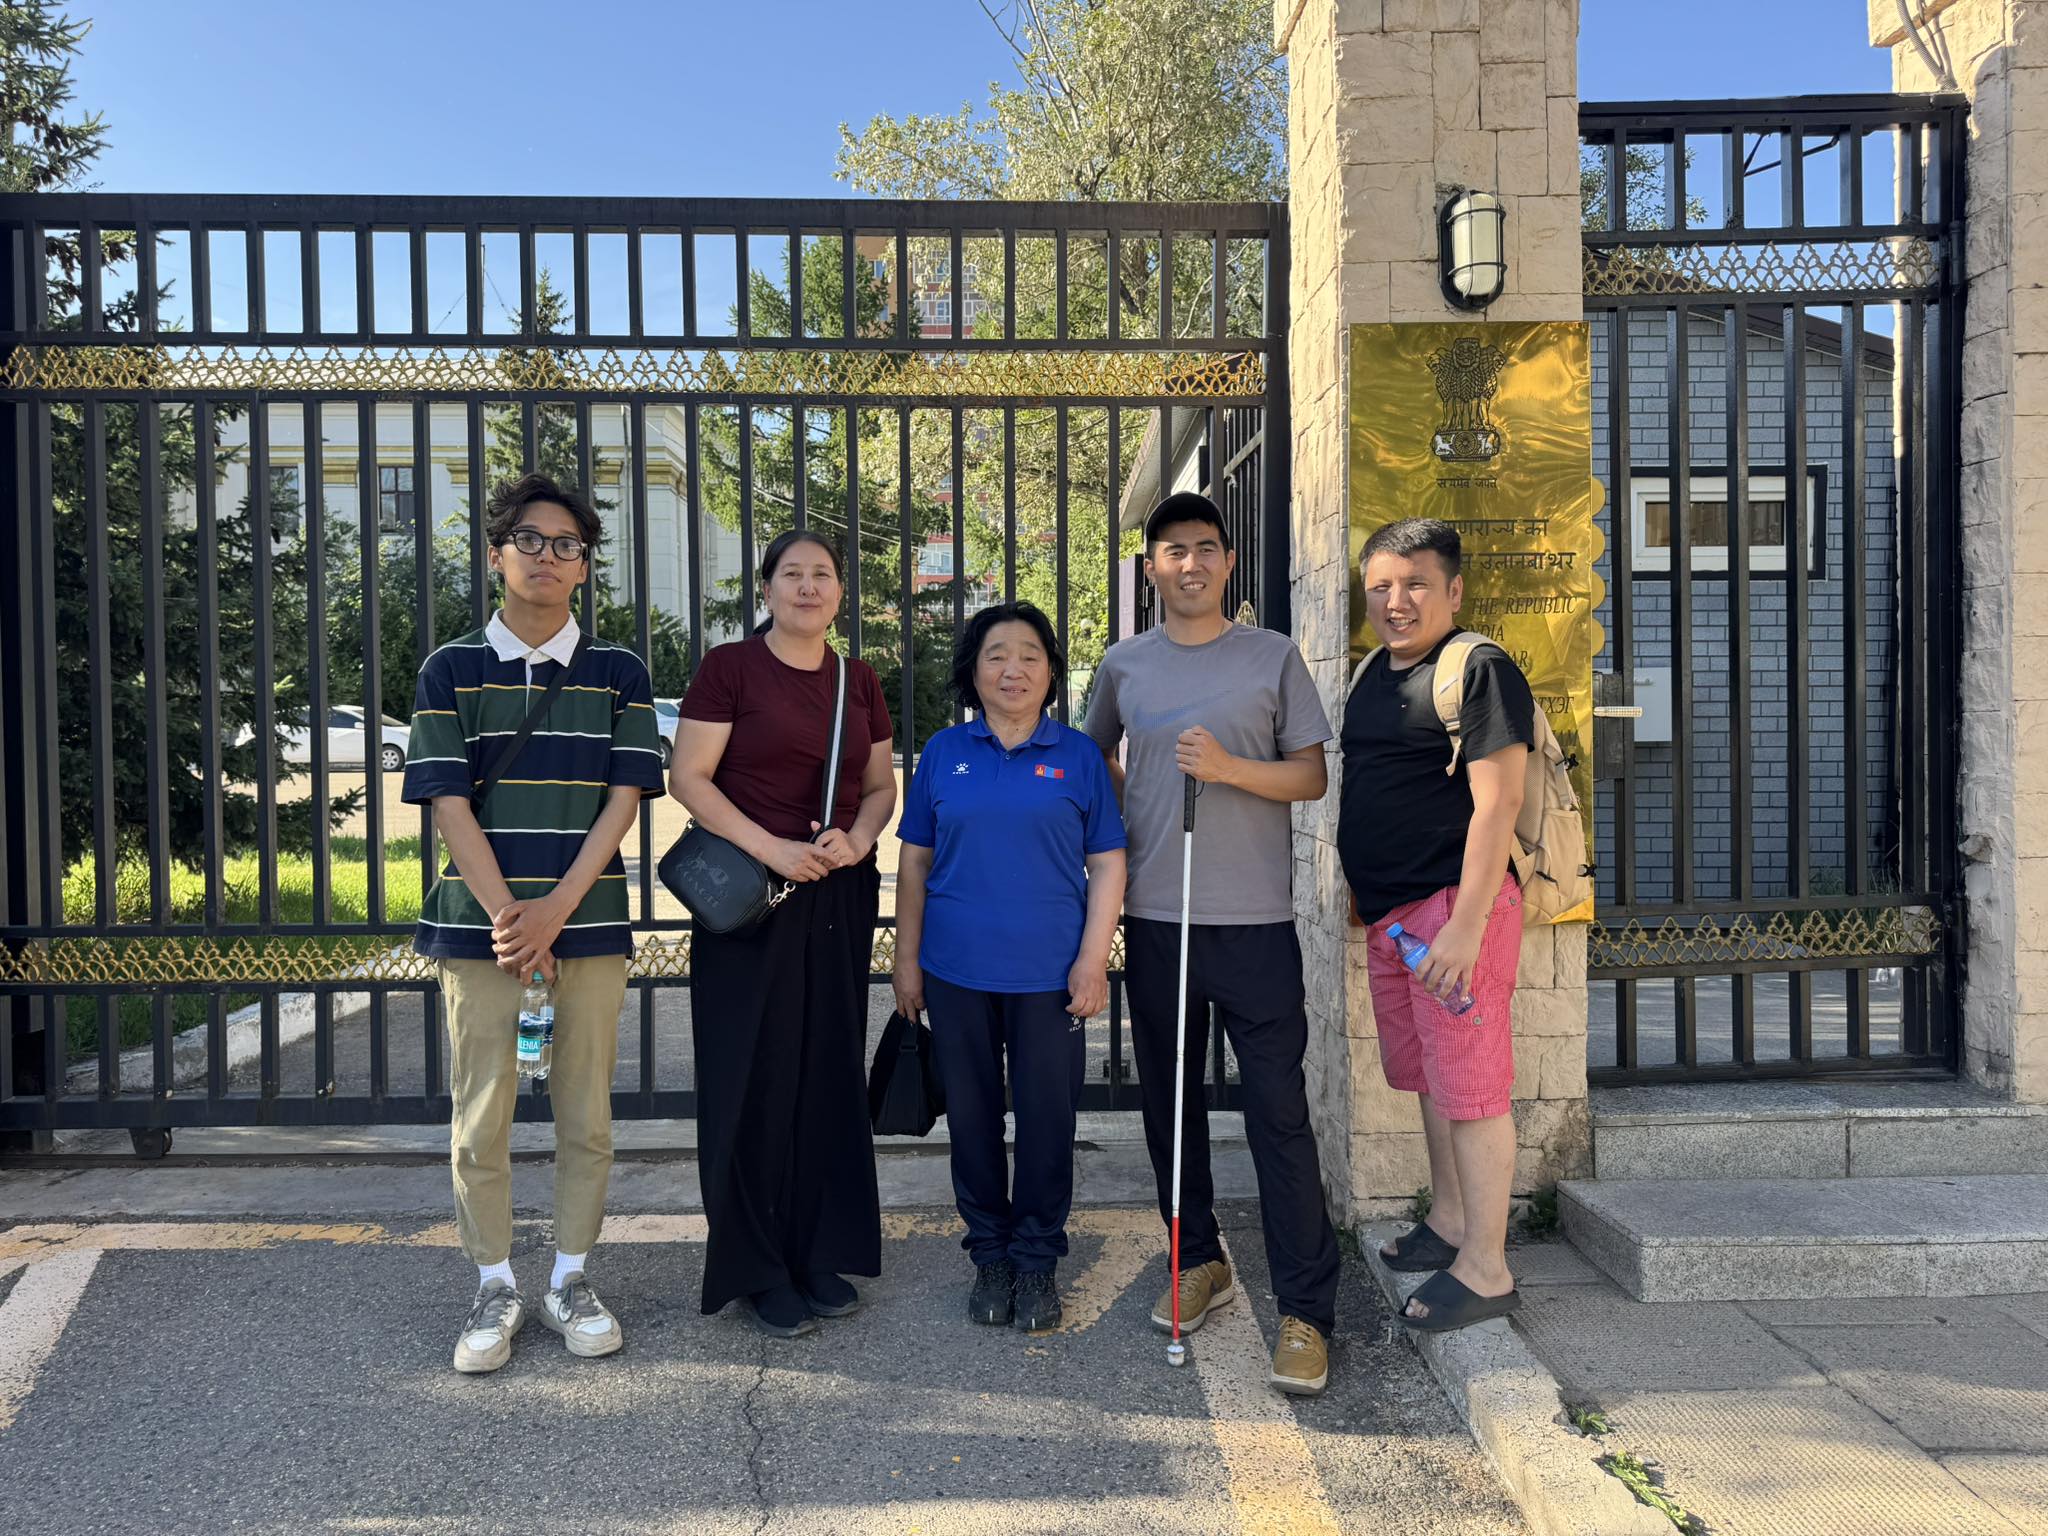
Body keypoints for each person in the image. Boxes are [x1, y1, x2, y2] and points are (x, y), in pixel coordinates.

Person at [403, 472, 665, 1375]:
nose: (547, 557)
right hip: (480, 932)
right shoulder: (449, 669)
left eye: (566, 545)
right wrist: (512, 921)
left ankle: (569, 1277)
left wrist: (554, 912)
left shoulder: (619, 673)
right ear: (495, 554)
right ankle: (493, 1283)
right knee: (482, 1115)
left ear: (585, 566)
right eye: (529, 540)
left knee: (585, 1114)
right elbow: (447, 804)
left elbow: (623, 801)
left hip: (587, 925)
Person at [1083, 491, 1341, 1397]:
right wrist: (1141, 800)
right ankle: (1199, 1259)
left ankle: (1307, 1310)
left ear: (1228, 561)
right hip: (1161, 917)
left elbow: (1310, 775)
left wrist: (1229, 770)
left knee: (1277, 1114)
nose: (1188, 564)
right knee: (1171, 1106)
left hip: (1255, 924)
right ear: (1150, 567)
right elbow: (1093, 759)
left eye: (1204, 548)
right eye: (1171, 550)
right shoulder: (1125, 665)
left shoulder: (1271, 657)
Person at [670, 529, 898, 1338]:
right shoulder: (729, 669)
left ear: (839, 592)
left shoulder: (857, 681)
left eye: (822, 575)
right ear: (766, 588)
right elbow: (688, 777)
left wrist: (859, 839)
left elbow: (879, 787)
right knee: (752, 1076)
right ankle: (756, 1265)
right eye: (792, 574)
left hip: (837, 895)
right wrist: (771, 848)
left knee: (825, 1071)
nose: (808, 587)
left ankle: (815, 1249)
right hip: (751, 900)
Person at [892, 602, 1127, 1332]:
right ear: (974, 670)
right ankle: (989, 1256)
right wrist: (906, 960)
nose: (1013, 669)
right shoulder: (943, 752)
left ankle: (1036, 1261)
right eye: (996, 654)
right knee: (971, 1121)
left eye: (1030, 654)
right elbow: (914, 862)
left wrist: (1093, 960)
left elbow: (1108, 862)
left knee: (1048, 1122)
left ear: (1051, 671)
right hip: (956, 971)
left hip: (1051, 977)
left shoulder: (1079, 756)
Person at [1341, 517, 1533, 1333]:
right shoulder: (1371, 672)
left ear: (1453, 590)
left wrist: (1465, 927)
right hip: (1395, 919)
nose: (1396, 600)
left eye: (1415, 583)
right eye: (1381, 586)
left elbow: (1499, 803)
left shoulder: (1478, 669)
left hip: (1454, 913)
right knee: (1431, 1077)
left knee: (1473, 1088)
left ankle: (1487, 1267)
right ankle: (1451, 1222)